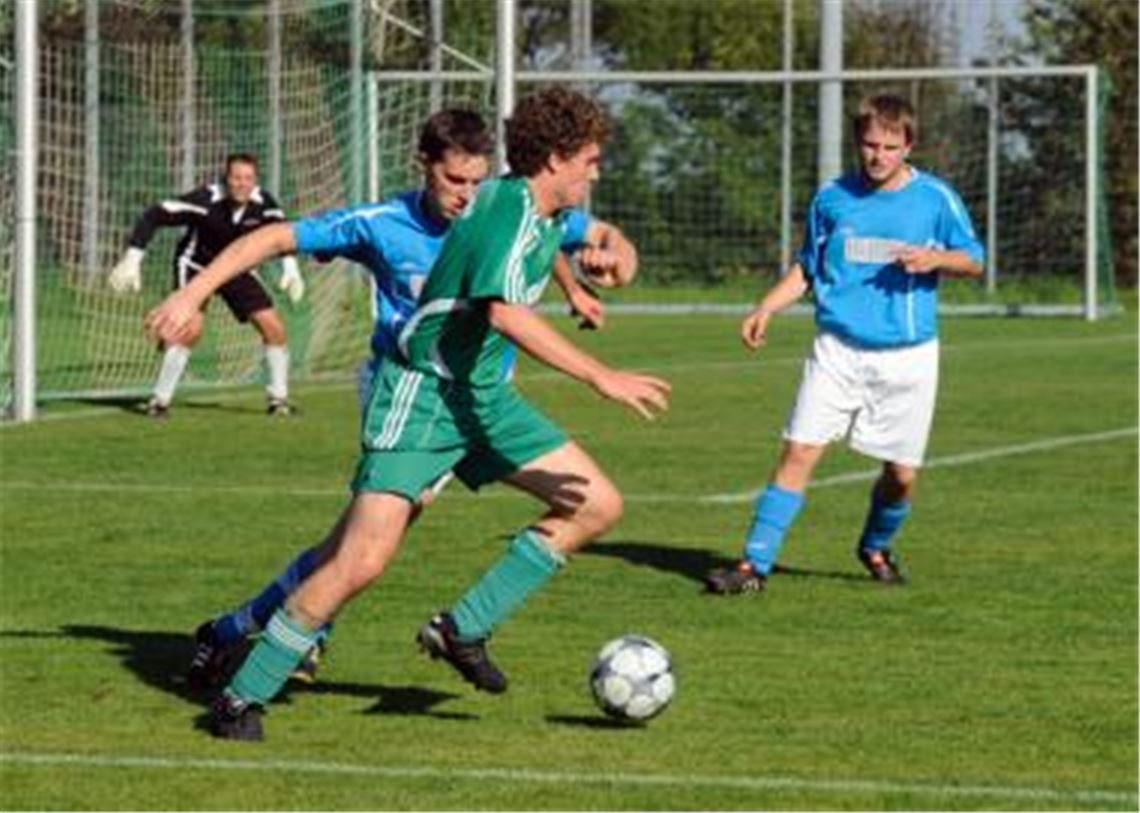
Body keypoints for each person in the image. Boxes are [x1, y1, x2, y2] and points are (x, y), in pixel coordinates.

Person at [147, 85, 663, 742]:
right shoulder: (415, 219)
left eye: (475, 178)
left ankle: (459, 628)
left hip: (484, 397)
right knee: (360, 559)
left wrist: (598, 273)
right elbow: (501, 304)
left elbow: (577, 239)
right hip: (418, 398)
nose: (465, 193)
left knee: (597, 503)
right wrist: (599, 374)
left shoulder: (526, 204)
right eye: (589, 160)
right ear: (556, 158)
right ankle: (242, 691)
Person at [705, 93, 984, 595]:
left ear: (909, 146)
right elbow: (808, 268)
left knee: (900, 477)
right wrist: (767, 306)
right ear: (858, 143)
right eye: (870, 144)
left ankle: (875, 545)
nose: (878, 155)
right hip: (836, 350)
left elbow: (975, 258)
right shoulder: (832, 198)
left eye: (890, 146)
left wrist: (935, 259)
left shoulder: (935, 199)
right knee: (798, 452)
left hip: (908, 357)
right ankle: (752, 567)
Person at [109, 153, 304, 417]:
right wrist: (133, 258)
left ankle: (278, 401)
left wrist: (291, 268)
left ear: (255, 181)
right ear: (226, 178)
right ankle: (159, 402)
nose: (241, 184)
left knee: (274, 327)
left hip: (236, 269)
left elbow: (283, 234)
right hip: (195, 266)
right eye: (236, 177)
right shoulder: (206, 200)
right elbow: (155, 214)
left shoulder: (264, 204)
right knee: (191, 330)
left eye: (248, 178)